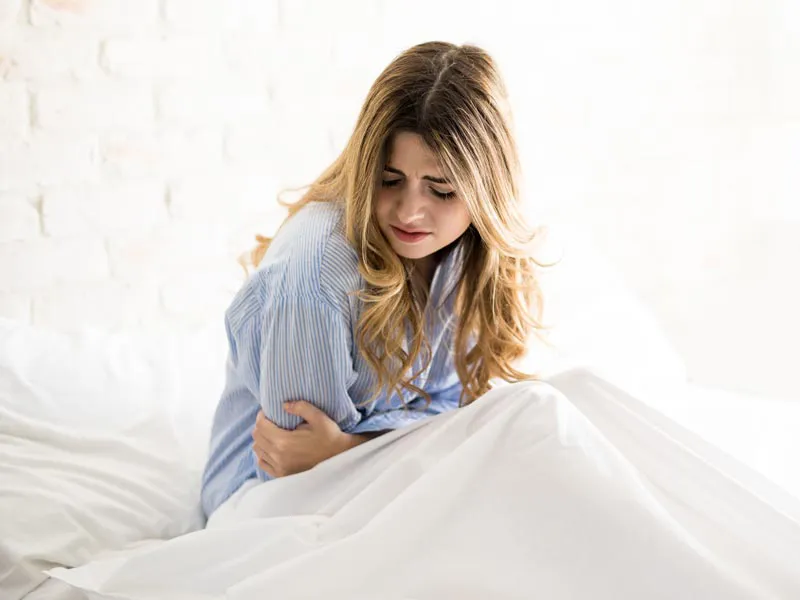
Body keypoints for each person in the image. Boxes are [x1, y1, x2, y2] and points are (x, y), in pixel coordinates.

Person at [200, 40, 543, 521]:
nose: (410, 212)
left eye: (442, 190)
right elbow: (302, 477)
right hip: (268, 507)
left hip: (387, 484)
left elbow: (455, 410)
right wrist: (396, 448)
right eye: (389, 179)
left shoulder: (467, 250)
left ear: (487, 192)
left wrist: (354, 447)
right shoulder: (313, 286)